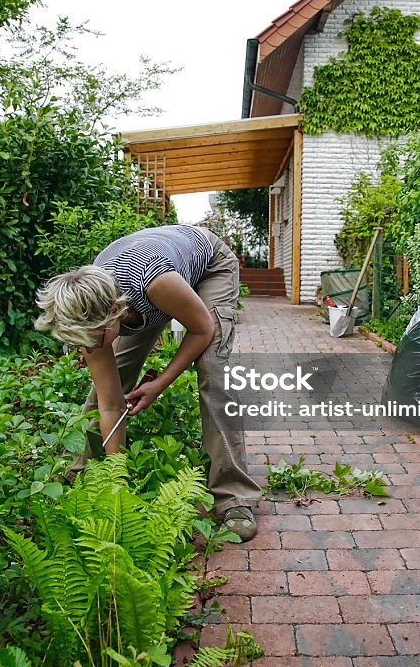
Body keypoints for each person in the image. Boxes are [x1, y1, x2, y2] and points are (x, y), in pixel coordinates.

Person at [34, 223, 260, 540]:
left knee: (213, 369)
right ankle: (81, 472)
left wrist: (160, 383)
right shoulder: (90, 316)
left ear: (114, 311)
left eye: (93, 339)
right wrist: (117, 485)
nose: (91, 348)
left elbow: (202, 330)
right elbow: (111, 403)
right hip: (149, 277)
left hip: (207, 265)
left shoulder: (153, 283)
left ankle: (234, 496)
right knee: (107, 385)